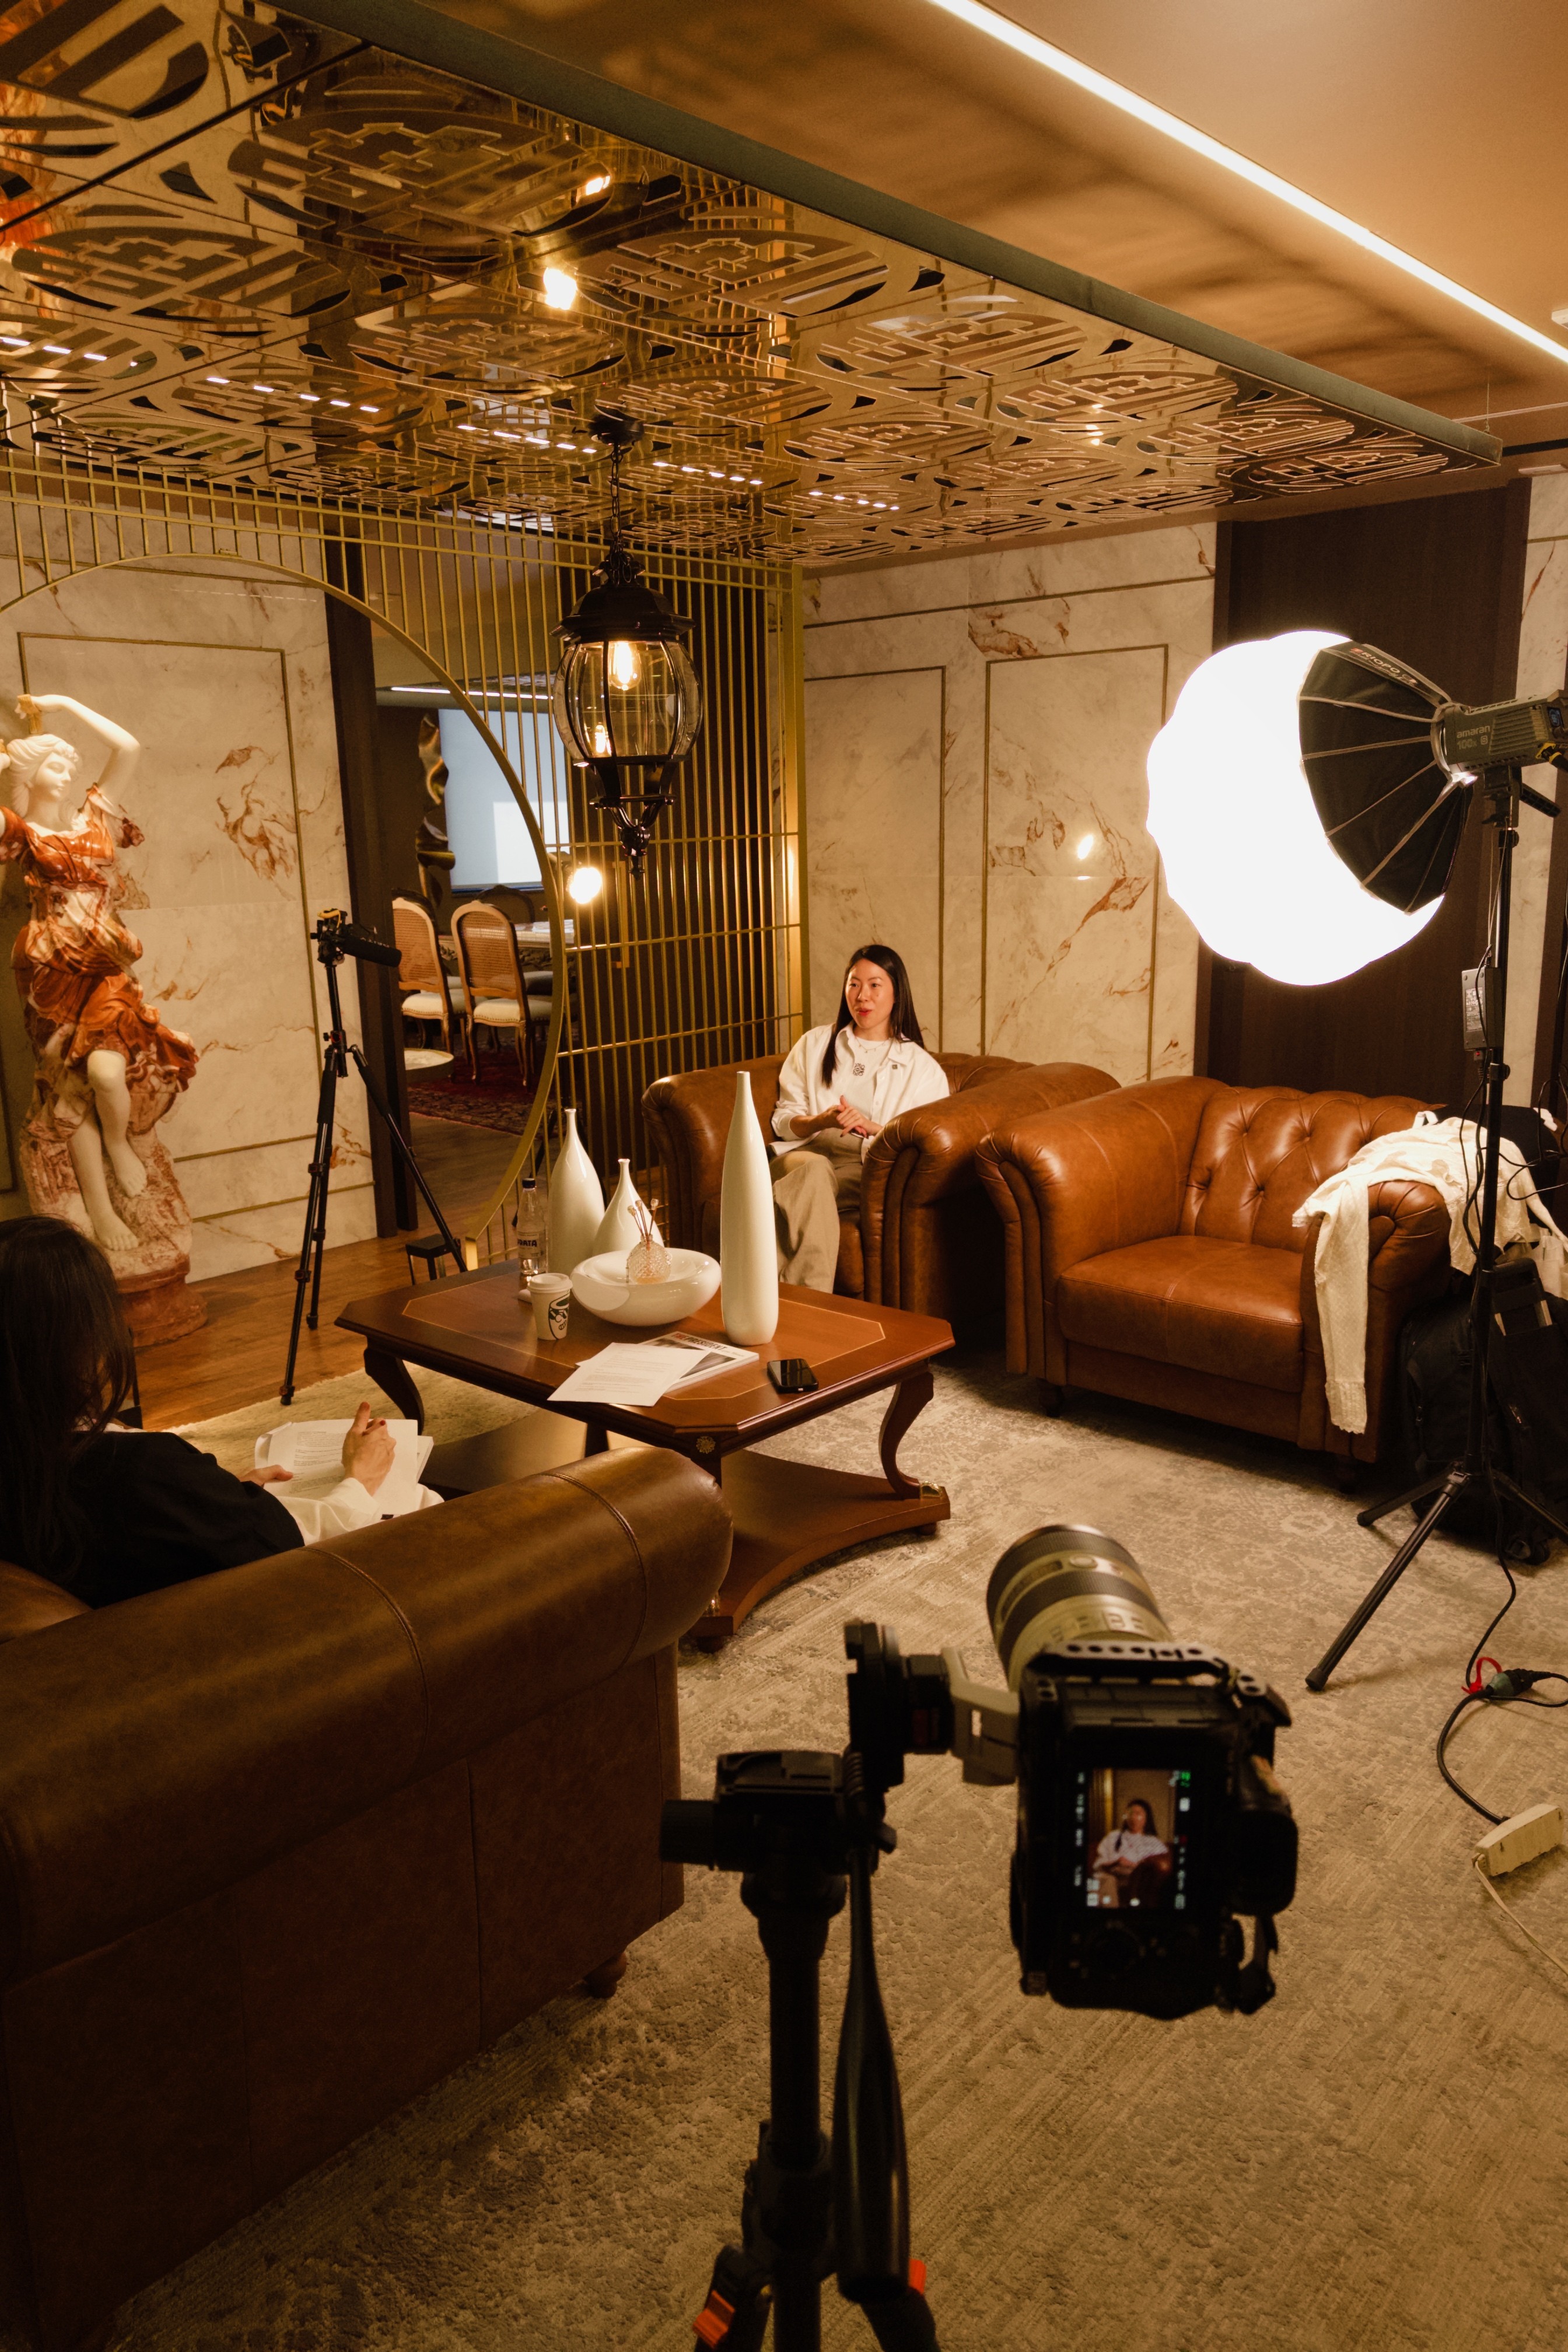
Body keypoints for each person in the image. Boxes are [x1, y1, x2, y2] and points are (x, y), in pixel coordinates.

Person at [0, 1216, 408, 1609]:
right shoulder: (139, 1469)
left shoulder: (28, 1456)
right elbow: (292, 1545)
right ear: (82, 1337)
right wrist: (360, 1479)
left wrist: (212, 1499)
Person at [0, 693, 198, 1255]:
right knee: (69, 1086)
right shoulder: (22, 831)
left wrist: (63, 704)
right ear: (29, 775)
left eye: (69, 763)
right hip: (49, 968)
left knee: (108, 1074)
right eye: (53, 764)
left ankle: (118, 1141)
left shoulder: (95, 816)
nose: (66, 772)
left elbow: (128, 747)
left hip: (107, 965)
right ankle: (100, 1208)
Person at [770, 944, 948, 1291]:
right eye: (854, 984)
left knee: (808, 1193)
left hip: (867, 1164)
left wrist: (874, 1128)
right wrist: (820, 1121)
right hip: (805, 1154)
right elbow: (784, 1120)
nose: (862, 996)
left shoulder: (922, 1068)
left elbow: (927, 1143)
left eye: (875, 985)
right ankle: (812, 1305)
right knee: (814, 1172)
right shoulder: (815, 1044)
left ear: (897, 993)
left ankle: (779, 1298)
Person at [1091, 1798, 1169, 1910]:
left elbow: (1155, 1869)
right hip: (1110, 1875)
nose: (1133, 1817)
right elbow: (1099, 1864)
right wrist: (1116, 1862)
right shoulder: (1114, 1836)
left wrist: (1132, 1865)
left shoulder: (1154, 1842)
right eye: (1130, 1813)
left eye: (1138, 1814)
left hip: (1134, 1880)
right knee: (1105, 1879)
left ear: (1146, 1818)